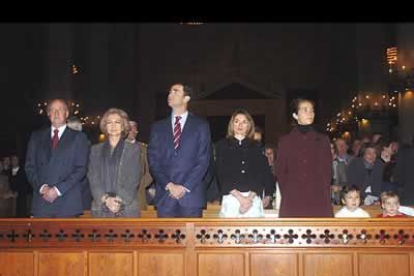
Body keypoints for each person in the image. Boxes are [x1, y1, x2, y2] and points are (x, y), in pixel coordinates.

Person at [148, 83, 211, 218]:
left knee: (191, 239)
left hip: (191, 195)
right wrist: (169, 185)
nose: (170, 95)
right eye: (169, 92)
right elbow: (153, 161)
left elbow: (203, 159)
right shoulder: (157, 127)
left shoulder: (201, 125)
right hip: (165, 196)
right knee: (165, 239)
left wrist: (184, 187)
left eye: (175, 91)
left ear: (186, 98)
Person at [25, 99, 89, 218]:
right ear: (48, 114)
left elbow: (81, 169)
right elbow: (29, 167)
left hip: (67, 203)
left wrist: (57, 190)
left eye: (60, 109)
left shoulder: (79, 137)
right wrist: (41, 187)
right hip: (42, 203)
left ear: (67, 113)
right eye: (53, 110)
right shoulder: (36, 137)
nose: (56, 113)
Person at [275, 98, 332, 217]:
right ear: (295, 115)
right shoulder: (285, 141)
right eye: (305, 110)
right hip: (293, 199)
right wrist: (289, 193)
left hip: (318, 198)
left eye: (312, 110)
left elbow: (327, 172)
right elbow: (281, 172)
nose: (310, 113)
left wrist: (322, 191)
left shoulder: (322, 140)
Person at [215, 110, 274, 218]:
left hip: (252, 199)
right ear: (232, 125)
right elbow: (221, 173)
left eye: (244, 122)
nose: (240, 125)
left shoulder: (256, 147)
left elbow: (260, 174)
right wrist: (240, 198)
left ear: (249, 125)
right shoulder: (222, 145)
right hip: (231, 197)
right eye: (236, 121)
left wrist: (249, 199)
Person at [88, 108, 141, 217]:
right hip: (101, 206)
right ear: (105, 126)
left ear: (123, 126)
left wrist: (117, 201)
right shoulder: (95, 150)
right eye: (109, 122)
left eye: (117, 122)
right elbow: (93, 177)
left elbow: (134, 178)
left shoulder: (134, 149)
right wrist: (106, 199)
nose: (113, 126)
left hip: (126, 207)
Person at [126, 120, 154, 210]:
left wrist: (141, 185)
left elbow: (150, 170)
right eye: (128, 127)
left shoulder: (143, 148)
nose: (130, 129)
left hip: (139, 195)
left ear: (136, 131)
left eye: (133, 127)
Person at [66, 116, 92, 211]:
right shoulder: (59, 150)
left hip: (82, 196)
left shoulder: (89, 149)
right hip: (63, 198)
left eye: (75, 129)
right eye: (69, 130)